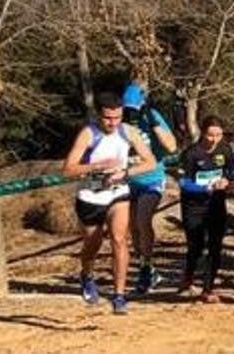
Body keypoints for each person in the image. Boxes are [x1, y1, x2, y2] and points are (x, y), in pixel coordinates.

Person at [62, 91, 158, 314]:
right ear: (99, 115)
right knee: (92, 244)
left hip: (118, 193)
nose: (113, 122)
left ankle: (119, 295)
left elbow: (150, 163)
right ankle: (86, 274)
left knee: (119, 239)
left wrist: (125, 173)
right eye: (108, 118)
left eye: (117, 117)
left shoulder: (128, 132)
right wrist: (96, 166)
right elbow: (68, 169)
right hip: (90, 196)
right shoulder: (88, 134)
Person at [121, 82, 178, 295]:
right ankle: (147, 267)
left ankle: (146, 267)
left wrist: (151, 119)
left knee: (143, 220)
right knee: (133, 229)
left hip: (151, 179)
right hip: (127, 180)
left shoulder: (152, 116)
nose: (130, 114)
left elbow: (171, 146)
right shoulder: (118, 120)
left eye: (133, 109)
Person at [177, 115, 234, 303]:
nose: (214, 139)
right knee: (195, 247)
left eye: (218, 135)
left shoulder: (225, 149)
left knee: (215, 246)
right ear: (203, 133)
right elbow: (183, 182)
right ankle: (188, 276)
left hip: (216, 205)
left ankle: (208, 288)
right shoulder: (191, 154)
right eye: (210, 135)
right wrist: (205, 188)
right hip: (193, 207)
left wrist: (230, 180)